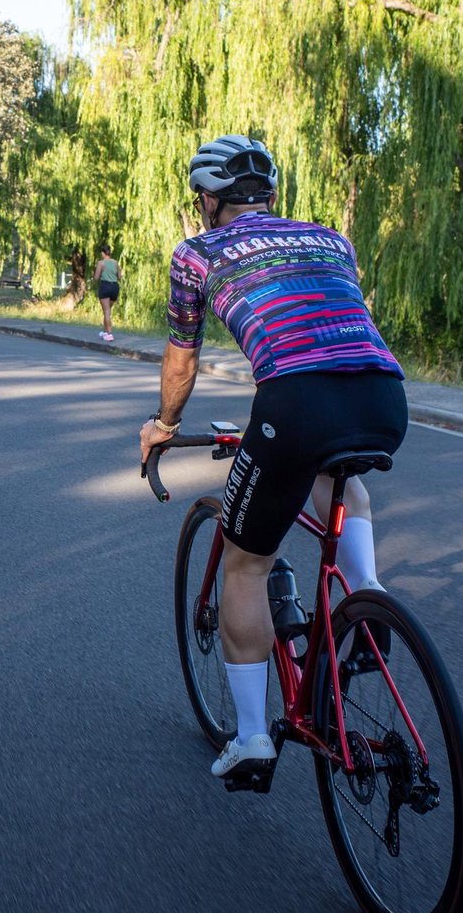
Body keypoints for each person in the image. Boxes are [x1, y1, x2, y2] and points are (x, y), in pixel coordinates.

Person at [138, 135, 407, 784]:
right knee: (336, 473)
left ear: (206, 198)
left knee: (246, 561)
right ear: (272, 195)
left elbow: (182, 358)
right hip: (383, 393)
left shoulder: (196, 252)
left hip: (298, 401)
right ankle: (367, 601)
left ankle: (253, 737)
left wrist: (164, 425)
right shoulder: (329, 238)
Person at [92, 244, 121, 341]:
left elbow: (96, 277)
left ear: (103, 253)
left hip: (105, 286)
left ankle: (109, 333)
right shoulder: (115, 263)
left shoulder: (101, 263)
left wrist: (96, 275)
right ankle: (105, 331)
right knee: (108, 311)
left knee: (106, 311)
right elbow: (120, 277)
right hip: (115, 287)